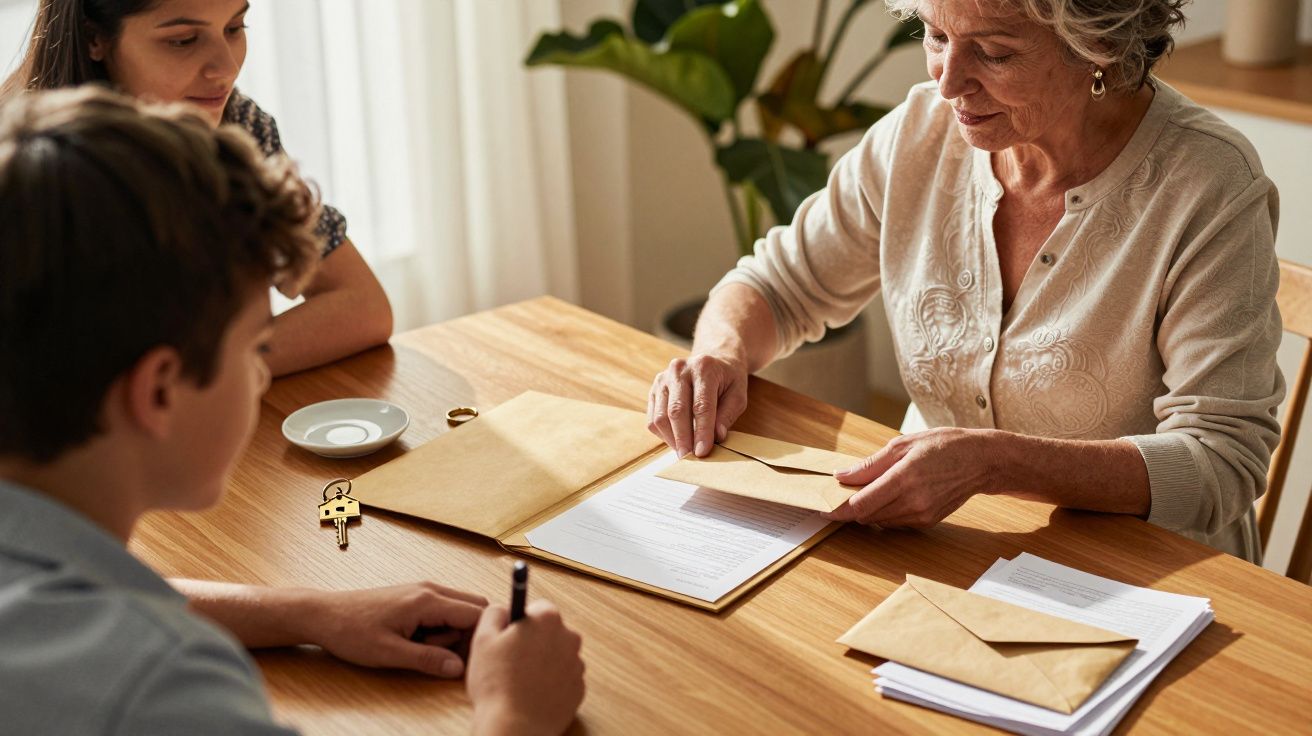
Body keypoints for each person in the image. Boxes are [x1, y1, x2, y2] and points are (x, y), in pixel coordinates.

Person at [0, 87, 584, 735]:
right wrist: (515, 713)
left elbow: (84, 600)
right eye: (255, 348)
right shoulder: (163, 687)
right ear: (159, 392)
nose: (259, 379)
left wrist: (308, 612)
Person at [647, 0, 1284, 563]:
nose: (948, 82)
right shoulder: (918, 133)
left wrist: (994, 463)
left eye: (994, 52)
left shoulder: (1208, 184)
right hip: (936, 548)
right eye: (934, 35)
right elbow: (779, 286)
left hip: (1148, 579)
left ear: (1101, 47)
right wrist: (717, 356)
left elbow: (1221, 459)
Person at [2, 0, 392, 376]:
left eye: (234, 28)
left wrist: (212, 378)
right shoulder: (24, 170)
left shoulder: (237, 127)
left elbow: (363, 307)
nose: (226, 69)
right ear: (94, 38)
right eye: (183, 40)